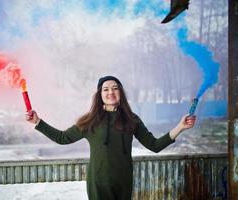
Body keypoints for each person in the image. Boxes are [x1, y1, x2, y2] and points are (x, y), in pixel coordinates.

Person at [26, 75, 196, 200]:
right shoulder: (90, 121)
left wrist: (181, 127)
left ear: (120, 93)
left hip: (124, 183)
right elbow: (62, 138)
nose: (110, 92)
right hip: (98, 185)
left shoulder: (132, 119)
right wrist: (38, 122)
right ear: (100, 95)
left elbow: (155, 145)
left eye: (115, 88)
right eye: (105, 89)